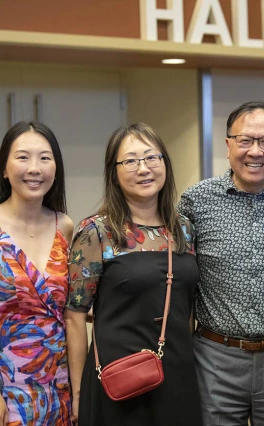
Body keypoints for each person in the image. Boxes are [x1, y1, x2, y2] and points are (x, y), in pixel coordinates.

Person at [178, 101, 264, 425]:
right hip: (214, 359)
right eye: (245, 140)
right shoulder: (196, 201)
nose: (256, 152)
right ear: (228, 145)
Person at [65, 123, 202, 426]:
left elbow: (186, 304)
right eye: (130, 161)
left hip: (177, 370)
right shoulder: (96, 233)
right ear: (113, 172)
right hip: (117, 375)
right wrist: (77, 392)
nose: (144, 168)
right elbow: (75, 315)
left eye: (152, 158)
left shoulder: (183, 229)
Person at [0, 121, 73, 426]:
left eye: (45, 158)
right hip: (3, 383)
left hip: (58, 383)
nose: (34, 168)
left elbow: (73, 312)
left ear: (56, 169)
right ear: (5, 169)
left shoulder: (66, 227)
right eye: (23, 157)